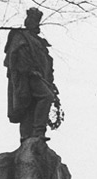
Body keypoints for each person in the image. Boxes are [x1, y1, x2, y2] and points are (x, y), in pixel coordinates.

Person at [4, 7, 60, 142]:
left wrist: (51, 82)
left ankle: (29, 137)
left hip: (40, 77)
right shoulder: (20, 35)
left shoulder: (39, 41)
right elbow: (15, 54)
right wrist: (28, 69)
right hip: (27, 76)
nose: (32, 22)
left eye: (35, 20)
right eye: (31, 19)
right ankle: (37, 131)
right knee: (45, 97)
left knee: (32, 105)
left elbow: (47, 63)